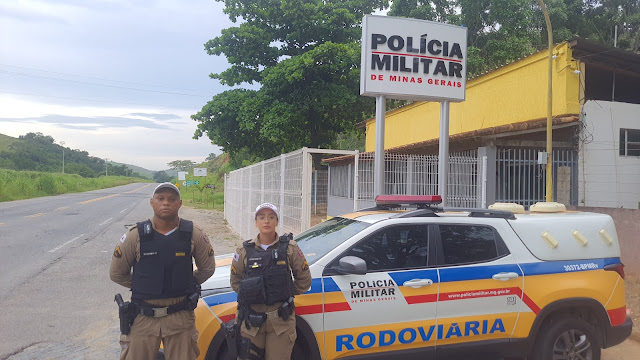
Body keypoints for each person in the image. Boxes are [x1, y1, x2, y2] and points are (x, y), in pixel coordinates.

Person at [110, 182, 216, 360]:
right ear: (152, 202)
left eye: (172, 199)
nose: (166, 203)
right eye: (161, 199)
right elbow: (117, 273)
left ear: (180, 203)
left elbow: (207, 268)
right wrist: (146, 284)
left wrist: (184, 283)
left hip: (180, 317)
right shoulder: (135, 235)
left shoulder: (194, 234)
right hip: (143, 318)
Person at [230, 203, 312, 360]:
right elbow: (236, 282)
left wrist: (284, 291)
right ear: (256, 222)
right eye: (261, 217)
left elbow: (304, 280)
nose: (266, 221)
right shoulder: (243, 250)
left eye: (271, 217)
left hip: (281, 322)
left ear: (277, 222)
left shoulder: (290, 248)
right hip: (251, 322)